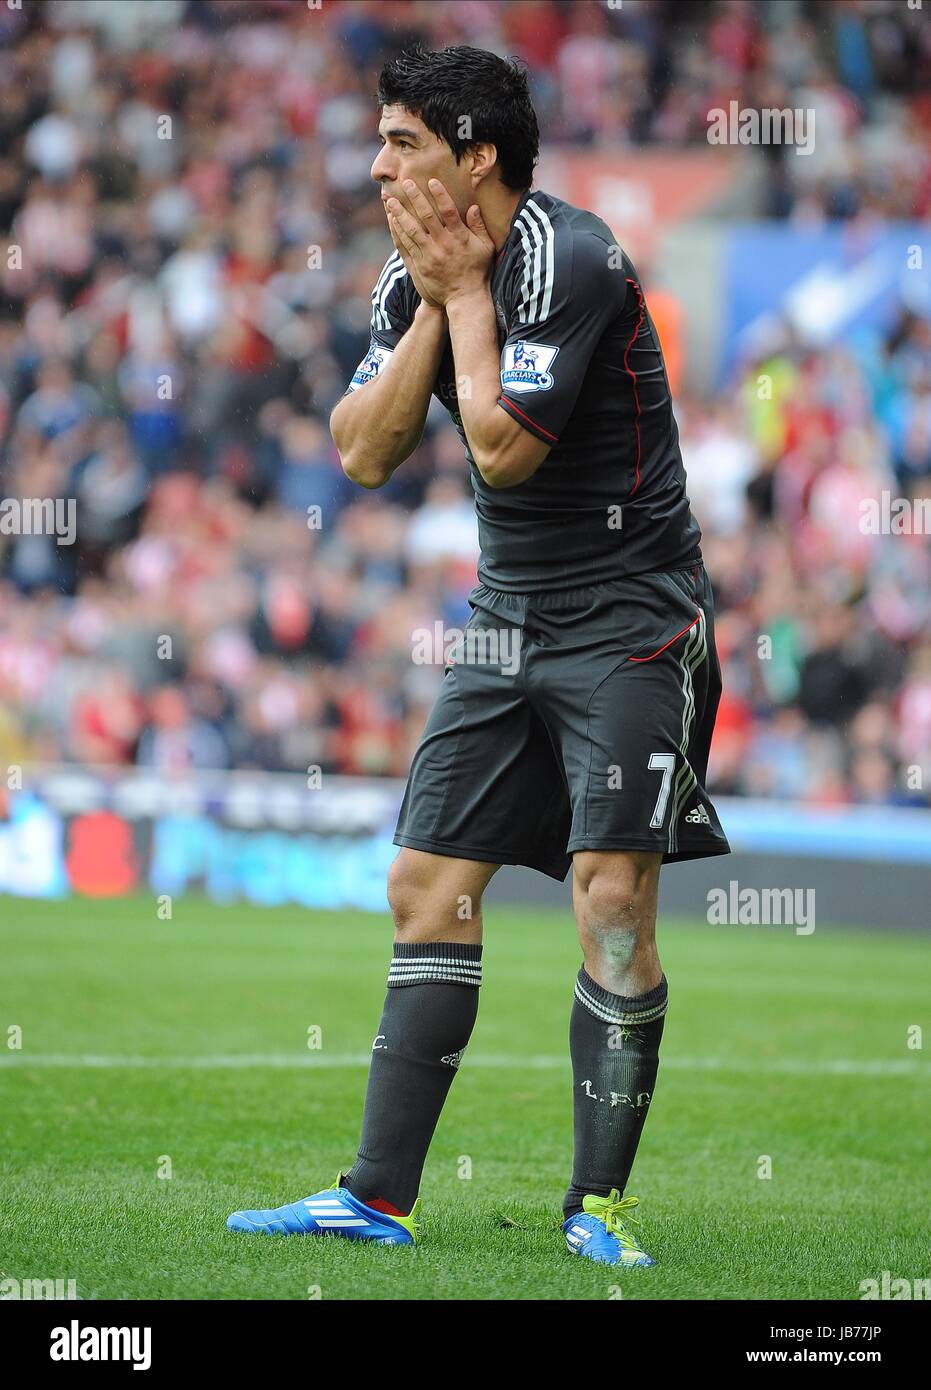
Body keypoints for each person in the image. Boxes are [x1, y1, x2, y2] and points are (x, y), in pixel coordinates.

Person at [227, 43, 729, 1268]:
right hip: (507, 612)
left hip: (628, 612)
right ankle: (377, 1195)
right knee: (424, 887)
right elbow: (358, 452)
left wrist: (459, 296)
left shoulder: (577, 257)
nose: (375, 162)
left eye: (401, 140)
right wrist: (432, 293)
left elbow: (504, 455)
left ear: (476, 154)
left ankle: (593, 1206)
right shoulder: (415, 277)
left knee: (610, 899)